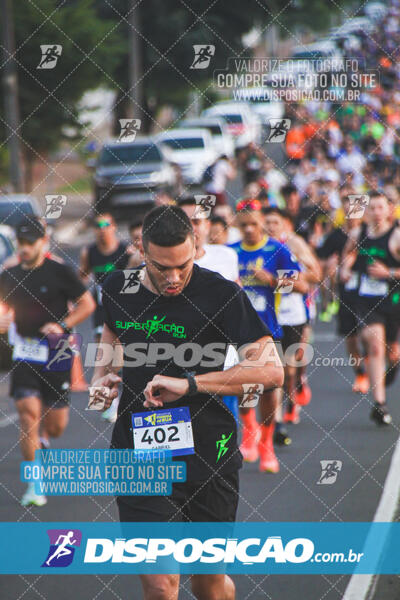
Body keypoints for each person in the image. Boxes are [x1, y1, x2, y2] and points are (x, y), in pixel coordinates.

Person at [90, 205, 283, 600]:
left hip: (209, 453)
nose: (175, 277)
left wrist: (191, 384)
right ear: (142, 251)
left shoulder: (221, 294)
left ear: (196, 245)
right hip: (138, 454)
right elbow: (111, 330)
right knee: (160, 585)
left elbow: (271, 372)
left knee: (208, 585)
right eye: (163, 268)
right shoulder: (116, 287)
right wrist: (104, 375)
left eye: (183, 264)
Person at [0, 217, 95, 506]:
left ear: (43, 242)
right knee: (28, 414)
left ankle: (44, 439)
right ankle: (35, 483)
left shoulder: (60, 273)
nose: (26, 248)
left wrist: (63, 325)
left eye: (31, 243)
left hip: (58, 350)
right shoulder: (9, 275)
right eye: (22, 243)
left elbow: (87, 304)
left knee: (55, 425)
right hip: (26, 351)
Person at [230, 199, 307, 472]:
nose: (250, 229)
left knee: (270, 388)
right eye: (244, 225)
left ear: (262, 221)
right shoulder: (231, 252)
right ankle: (249, 429)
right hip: (237, 330)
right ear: (237, 225)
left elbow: (302, 284)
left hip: (268, 330)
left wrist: (273, 281)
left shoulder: (277, 250)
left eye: (254, 223)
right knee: (243, 386)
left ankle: (266, 442)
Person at [343, 192, 400, 424]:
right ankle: (380, 404)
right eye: (372, 208)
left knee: (393, 355)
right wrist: (345, 269)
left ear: (389, 210)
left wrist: (389, 273)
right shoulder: (359, 233)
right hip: (367, 300)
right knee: (375, 345)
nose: (376, 212)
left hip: (394, 301)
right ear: (365, 212)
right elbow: (348, 254)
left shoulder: (396, 237)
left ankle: (390, 371)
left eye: (380, 207)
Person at [263, 207, 320, 427]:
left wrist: (280, 278)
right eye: (266, 222)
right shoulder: (255, 248)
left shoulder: (293, 244)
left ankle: (292, 397)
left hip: (292, 313)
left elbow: (315, 275)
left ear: (284, 224)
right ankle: (275, 420)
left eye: (275, 222)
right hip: (266, 314)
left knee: (289, 367)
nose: (270, 227)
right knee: (271, 366)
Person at [79, 213, 129, 423]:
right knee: (103, 352)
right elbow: (82, 276)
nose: (102, 228)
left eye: (107, 224)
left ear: (114, 227)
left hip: (124, 308)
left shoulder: (124, 251)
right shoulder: (89, 252)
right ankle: (106, 401)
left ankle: (116, 398)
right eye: (98, 225)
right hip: (101, 308)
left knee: (118, 355)